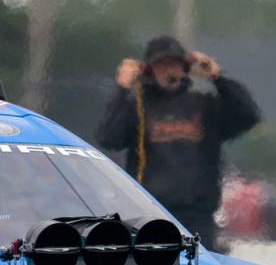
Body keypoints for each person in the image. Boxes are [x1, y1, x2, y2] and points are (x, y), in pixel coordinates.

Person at [95, 35, 261, 250]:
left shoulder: (205, 107)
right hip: (150, 215)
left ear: (184, 68)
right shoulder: (137, 107)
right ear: (148, 70)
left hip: (197, 217)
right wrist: (122, 87)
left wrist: (218, 77)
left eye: (174, 64)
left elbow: (248, 117)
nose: (169, 70)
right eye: (161, 65)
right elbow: (108, 137)